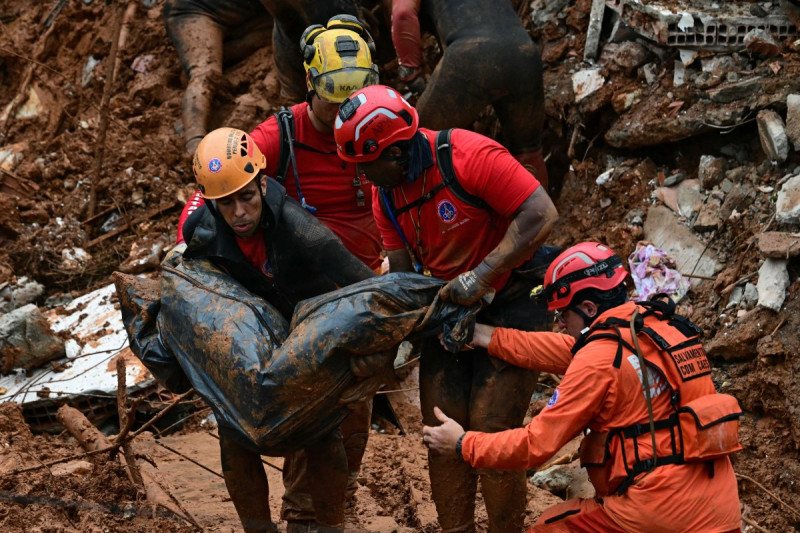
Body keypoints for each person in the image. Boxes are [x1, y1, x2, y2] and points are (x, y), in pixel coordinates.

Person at [334, 85, 559, 533]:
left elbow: (540, 212)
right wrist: (393, 330)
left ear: (396, 152)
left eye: (366, 165)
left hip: (511, 294)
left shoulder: (469, 156)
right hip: (449, 307)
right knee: (442, 433)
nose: (363, 177)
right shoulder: (388, 196)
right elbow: (401, 271)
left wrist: (481, 276)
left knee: (491, 427)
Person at [422, 242, 743, 533]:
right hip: (720, 511)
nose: (559, 322)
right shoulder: (659, 326)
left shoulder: (598, 359)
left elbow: (536, 444)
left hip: (658, 513)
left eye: (563, 313)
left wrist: (463, 443)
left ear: (589, 308)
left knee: (550, 529)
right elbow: (559, 349)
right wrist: (481, 335)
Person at [181, 127, 376, 533]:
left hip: (307, 327)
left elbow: (361, 283)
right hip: (246, 335)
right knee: (233, 428)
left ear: (263, 183)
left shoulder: (300, 229)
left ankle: (324, 523)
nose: (239, 214)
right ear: (211, 203)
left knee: (324, 430)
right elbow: (190, 294)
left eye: (247, 197)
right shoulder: (198, 232)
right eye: (226, 203)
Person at [249, 14, 382, 269]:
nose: (345, 110)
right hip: (308, 287)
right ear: (310, 83)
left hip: (372, 278)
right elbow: (216, 183)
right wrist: (181, 245)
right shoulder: (279, 137)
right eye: (333, 94)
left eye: (354, 97)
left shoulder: (379, 123)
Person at [164, 0, 360, 155]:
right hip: (192, 11)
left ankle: (227, 50)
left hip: (251, 18)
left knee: (286, 26)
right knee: (206, 72)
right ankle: (194, 140)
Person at [389, 0, 549, 188]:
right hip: (524, 54)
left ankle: (421, 215)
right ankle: (544, 215)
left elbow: (403, 14)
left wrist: (410, 70)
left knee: (419, 145)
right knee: (529, 152)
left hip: (471, 56)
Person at [163, 0, 272, 155]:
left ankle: (222, 50)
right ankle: (194, 144)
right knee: (206, 73)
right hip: (194, 10)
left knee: (284, 32)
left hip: (247, 18)